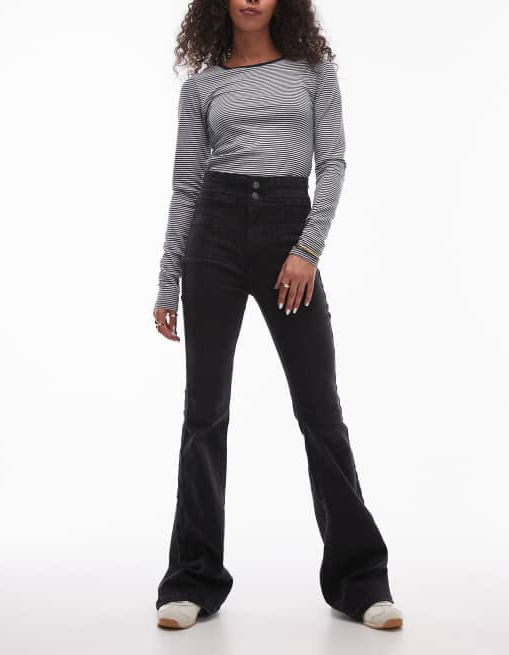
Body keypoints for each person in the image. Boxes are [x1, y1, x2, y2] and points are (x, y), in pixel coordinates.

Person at [153, 0, 404, 631]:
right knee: (204, 413)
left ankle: (360, 582)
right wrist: (167, 278)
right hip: (213, 233)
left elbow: (333, 162)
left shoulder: (314, 71)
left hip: (288, 228)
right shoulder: (202, 86)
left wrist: (307, 249)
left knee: (320, 409)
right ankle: (192, 580)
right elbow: (186, 183)